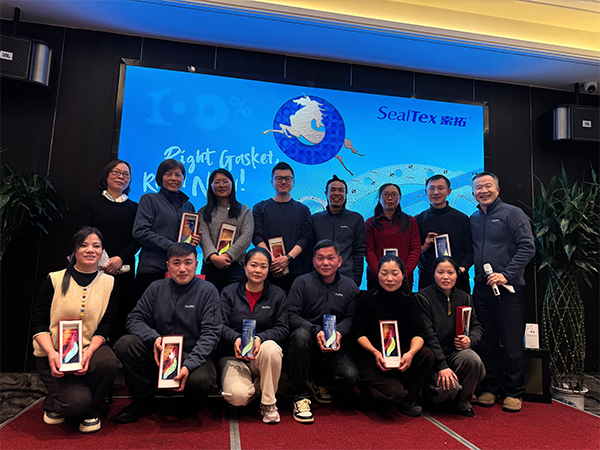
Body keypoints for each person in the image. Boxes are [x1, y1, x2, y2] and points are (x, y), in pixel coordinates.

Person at [113, 243, 222, 424]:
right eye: (176, 263)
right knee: (125, 344)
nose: (182, 269)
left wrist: (189, 365)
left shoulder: (208, 291)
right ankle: (143, 400)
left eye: (188, 263)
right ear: (168, 266)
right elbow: (134, 319)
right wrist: (154, 338)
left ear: (196, 264)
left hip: (191, 354)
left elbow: (211, 334)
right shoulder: (156, 288)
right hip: (159, 352)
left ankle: (189, 403)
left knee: (202, 381)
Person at [31, 227, 121, 434]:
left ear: (102, 251)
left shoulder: (109, 283)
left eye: (96, 246)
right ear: (74, 250)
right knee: (76, 403)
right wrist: (52, 353)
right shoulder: (54, 279)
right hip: (54, 353)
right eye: (83, 245)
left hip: (90, 348)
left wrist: (89, 352)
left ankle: (92, 410)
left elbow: (107, 323)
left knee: (108, 362)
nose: (90, 250)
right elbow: (38, 322)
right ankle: (56, 402)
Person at [470, 172, 535, 413]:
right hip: (482, 289)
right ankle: (490, 387)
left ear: (497, 189)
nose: (483, 191)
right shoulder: (474, 218)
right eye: (478, 188)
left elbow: (527, 247)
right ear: (473, 193)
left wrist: (506, 274)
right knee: (486, 341)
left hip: (509, 289)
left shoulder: (513, 213)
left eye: (488, 186)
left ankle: (513, 392)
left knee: (511, 342)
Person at [287, 239, 359, 423]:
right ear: (313, 261)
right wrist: (315, 330)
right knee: (300, 335)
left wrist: (339, 332)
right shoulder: (301, 282)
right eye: (320, 258)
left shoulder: (350, 286)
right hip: (307, 343)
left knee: (351, 377)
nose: (325, 263)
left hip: (335, 345)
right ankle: (300, 395)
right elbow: (291, 314)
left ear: (339, 261)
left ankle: (317, 381)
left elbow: (351, 318)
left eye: (330, 258)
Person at [351, 255, 433, 416]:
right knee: (394, 394)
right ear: (377, 274)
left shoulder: (409, 300)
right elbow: (357, 332)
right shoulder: (367, 298)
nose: (389, 278)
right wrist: (375, 353)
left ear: (403, 275)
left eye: (395, 273)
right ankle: (369, 394)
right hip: (371, 355)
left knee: (426, 355)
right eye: (384, 273)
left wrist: (411, 354)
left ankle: (408, 400)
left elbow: (419, 332)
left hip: (399, 354)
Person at [218, 248, 288, 424]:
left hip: (261, 356)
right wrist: (235, 338)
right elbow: (219, 326)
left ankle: (268, 403)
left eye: (263, 266)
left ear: (268, 269)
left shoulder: (278, 295)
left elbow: (282, 328)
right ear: (245, 267)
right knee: (237, 397)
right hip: (233, 356)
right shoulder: (228, 292)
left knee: (271, 347)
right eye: (253, 265)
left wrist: (259, 339)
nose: (258, 270)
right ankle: (260, 385)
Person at [77, 159, 141, 341]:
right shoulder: (91, 203)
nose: (121, 177)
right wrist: (102, 260)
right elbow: (82, 233)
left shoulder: (135, 208)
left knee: (120, 313)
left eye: (126, 174)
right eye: (116, 172)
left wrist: (120, 258)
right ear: (106, 175)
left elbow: (138, 238)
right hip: (94, 267)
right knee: (92, 311)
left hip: (124, 269)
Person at [416, 256, 485, 417]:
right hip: (434, 360)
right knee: (448, 390)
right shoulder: (422, 298)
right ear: (433, 274)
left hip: (455, 356)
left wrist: (470, 340)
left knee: (472, 359)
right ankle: (438, 395)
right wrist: (442, 366)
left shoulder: (465, 297)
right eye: (440, 272)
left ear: (457, 275)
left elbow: (476, 327)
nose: (445, 277)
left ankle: (463, 403)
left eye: (450, 272)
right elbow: (429, 335)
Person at [133, 159, 200, 299]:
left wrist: (192, 241)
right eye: (168, 174)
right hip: (152, 268)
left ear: (183, 178)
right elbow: (140, 231)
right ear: (160, 178)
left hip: (180, 272)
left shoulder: (189, 206)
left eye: (178, 175)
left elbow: (185, 237)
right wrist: (173, 247)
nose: (173, 178)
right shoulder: (149, 199)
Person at [252, 162, 311, 293]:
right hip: (267, 270)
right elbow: (256, 236)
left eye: (287, 178)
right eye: (279, 178)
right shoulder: (259, 208)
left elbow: (305, 238)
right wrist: (271, 260)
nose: (283, 182)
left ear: (293, 181)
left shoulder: (303, 210)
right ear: (271, 181)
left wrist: (288, 258)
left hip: (296, 272)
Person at [415, 174, 473, 293]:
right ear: (426, 192)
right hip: (427, 281)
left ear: (449, 191)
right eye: (432, 188)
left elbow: (470, 251)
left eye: (441, 188)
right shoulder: (417, 220)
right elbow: (413, 251)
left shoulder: (462, 219)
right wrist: (423, 247)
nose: (436, 192)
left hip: (458, 280)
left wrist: (460, 270)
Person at [199, 168, 254, 292]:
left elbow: (246, 237)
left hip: (236, 267)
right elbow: (204, 237)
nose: (221, 185)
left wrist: (227, 255)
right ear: (210, 186)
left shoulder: (244, 210)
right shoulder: (203, 212)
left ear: (232, 184)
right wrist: (214, 257)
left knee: (236, 302)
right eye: (217, 182)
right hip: (211, 266)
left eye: (225, 181)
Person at [305, 175, 365, 287]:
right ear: (326, 194)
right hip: (317, 280)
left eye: (341, 190)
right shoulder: (315, 219)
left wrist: (356, 282)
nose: (337, 193)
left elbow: (358, 253)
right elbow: (309, 252)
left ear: (346, 195)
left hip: (346, 279)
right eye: (332, 190)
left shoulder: (356, 219)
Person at [365, 183, 420, 290]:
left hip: (404, 279)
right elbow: (369, 250)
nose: (390, 198)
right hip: (376, 279)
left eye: (394, 195)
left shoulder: (411, 221)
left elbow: (415, 249)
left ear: (399, 198)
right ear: (379, 198)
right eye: (386, 194)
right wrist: (380, 274)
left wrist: (403, 274)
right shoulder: (370, 223)